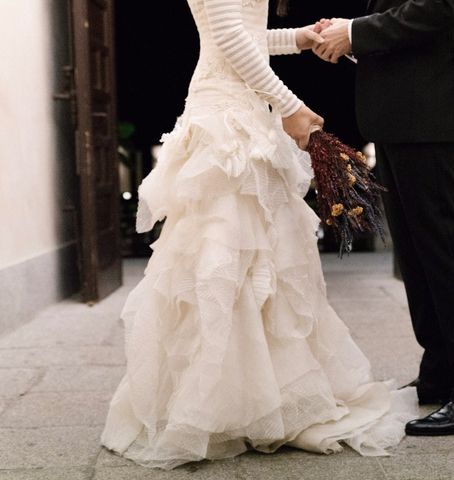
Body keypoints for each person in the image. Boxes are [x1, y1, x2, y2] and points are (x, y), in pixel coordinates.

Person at [100, 0, 416, 470]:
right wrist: (291, 107)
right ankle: (226, 403)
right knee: (226, 252)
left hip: (237, 104)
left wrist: (300, 36)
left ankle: (258, 395)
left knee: (257, 254)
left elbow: (242, 35)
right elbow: (228, 37)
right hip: (227, 115)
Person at [314, 0, 454, 436]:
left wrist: (356, 31)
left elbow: (436, 10)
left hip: (427, 111)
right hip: (396, 115)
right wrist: (348, 36)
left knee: (442, 251)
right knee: (416, 255)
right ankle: (439, 370)